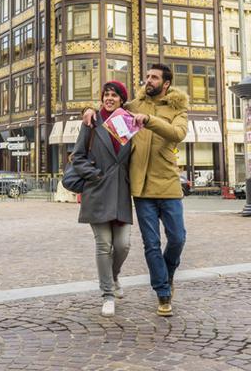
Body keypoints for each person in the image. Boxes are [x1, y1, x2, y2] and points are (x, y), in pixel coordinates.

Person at [83, 63, 188, 317]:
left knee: (177, 239)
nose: (148, 81)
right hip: (140, 188)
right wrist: (88, 109)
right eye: (147, 77)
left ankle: (168, 274)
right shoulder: (133, 107)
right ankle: (163, 293)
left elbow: (178, 134)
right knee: (151, 244)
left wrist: (150, 120)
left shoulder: (177, 109)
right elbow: (109, 108)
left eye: (154, 78)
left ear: (165, 84)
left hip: (168, 185)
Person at [72, 81, 133, 318]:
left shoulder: (127, 122)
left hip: (121, 193)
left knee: (123, 244)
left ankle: (113, 275)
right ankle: (107, 294)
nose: (109, 98)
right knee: (103, 245)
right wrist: (95, 174)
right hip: (97, 191)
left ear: (121, 99)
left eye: (114, 95)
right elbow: (77, 157)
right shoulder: (92, 121)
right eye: (106, 95)